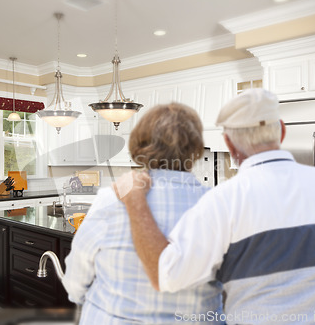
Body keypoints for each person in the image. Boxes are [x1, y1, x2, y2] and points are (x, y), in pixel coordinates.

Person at [114, 89, 315, 325]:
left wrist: (135, 200)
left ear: (229, 143)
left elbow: (166, 275)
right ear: (282, 131)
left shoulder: (223, 201)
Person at [62, 103, 224, 324]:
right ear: (195, 148)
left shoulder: (111, 199)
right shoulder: (220, 206)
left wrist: (82, 298)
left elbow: (77, 275)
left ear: (139, 145)